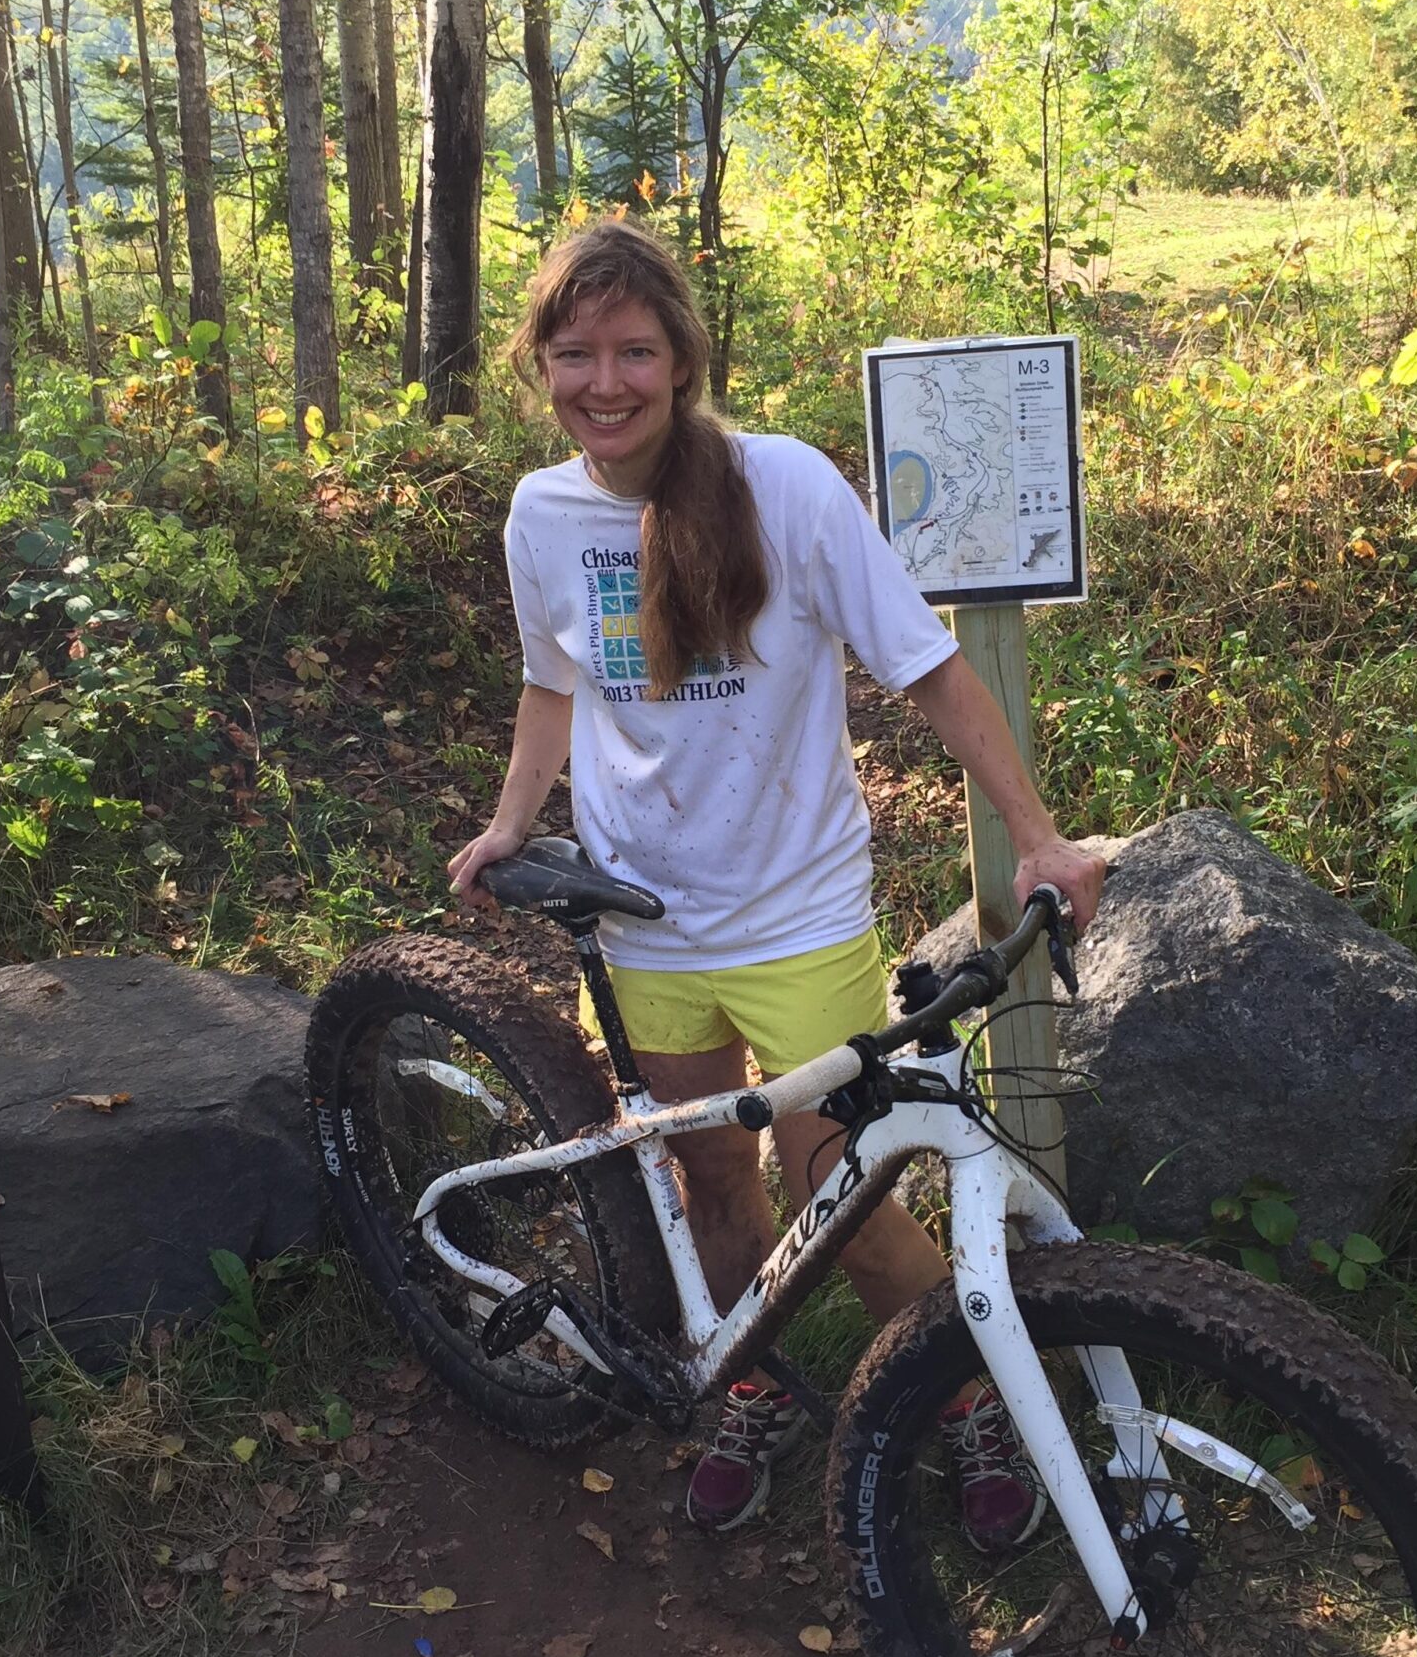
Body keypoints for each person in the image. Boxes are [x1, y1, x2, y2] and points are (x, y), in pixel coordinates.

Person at [448, 219, 1103, 1548]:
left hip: (797, 921)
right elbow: (547, 684)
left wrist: (1038, 835)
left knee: (844, 1209)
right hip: (644, 926)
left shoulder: (785, 488)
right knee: (715, 1195)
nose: (605, 382)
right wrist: (513, 820)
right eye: (575, 354)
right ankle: (759, 1385)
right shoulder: (542, 513)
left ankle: (968, 1400)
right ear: (543, 366)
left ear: (681, 356)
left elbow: (927, 669)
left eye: (634, 349)